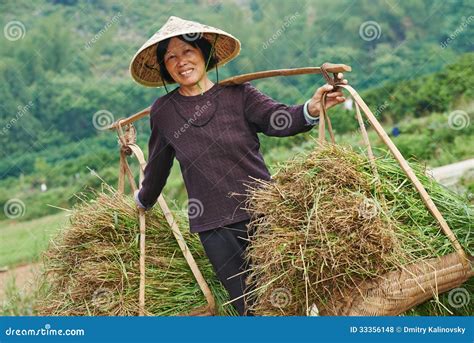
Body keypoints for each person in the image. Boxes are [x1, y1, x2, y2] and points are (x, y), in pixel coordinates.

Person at [129, 16, 348, 315]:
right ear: (165, 68)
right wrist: (143, 200)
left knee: (291, 298)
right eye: (171, 57)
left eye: (187, 52)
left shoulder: (239, 94)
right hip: (214, 225)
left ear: (204, 54)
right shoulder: (164, 112)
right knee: (250, 309)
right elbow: (158, 166)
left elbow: (279, 120)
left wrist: (312, 108)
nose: (181, 62)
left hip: (266, 214)